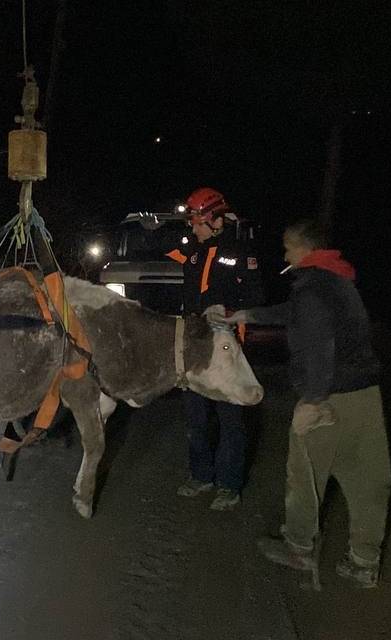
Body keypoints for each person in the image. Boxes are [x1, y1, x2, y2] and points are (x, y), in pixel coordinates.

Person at [225, 219, 390, 588]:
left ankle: (298, 547)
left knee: (304, 474)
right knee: (368, 480)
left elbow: (318, 348)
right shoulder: (337, 280)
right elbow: (294, 313)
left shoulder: (312, 288)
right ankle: (364, 561)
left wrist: (312, 401)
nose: (284, 254)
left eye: (288, 247)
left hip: (329, 397)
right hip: (365, 395)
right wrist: (246, 315)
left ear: (306, 249)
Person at [165, 186, 256, 511]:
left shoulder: (239, 249)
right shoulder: (193, 248)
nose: (192, 227)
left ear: (216, 220)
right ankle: (201, 474)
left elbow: (257, 296)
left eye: (197, 221)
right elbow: (168, 248)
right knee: (196, 416)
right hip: (193, 345)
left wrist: (228, 310)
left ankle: (229, 485)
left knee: (230, 418)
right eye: (191, 221)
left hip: (226, 350)